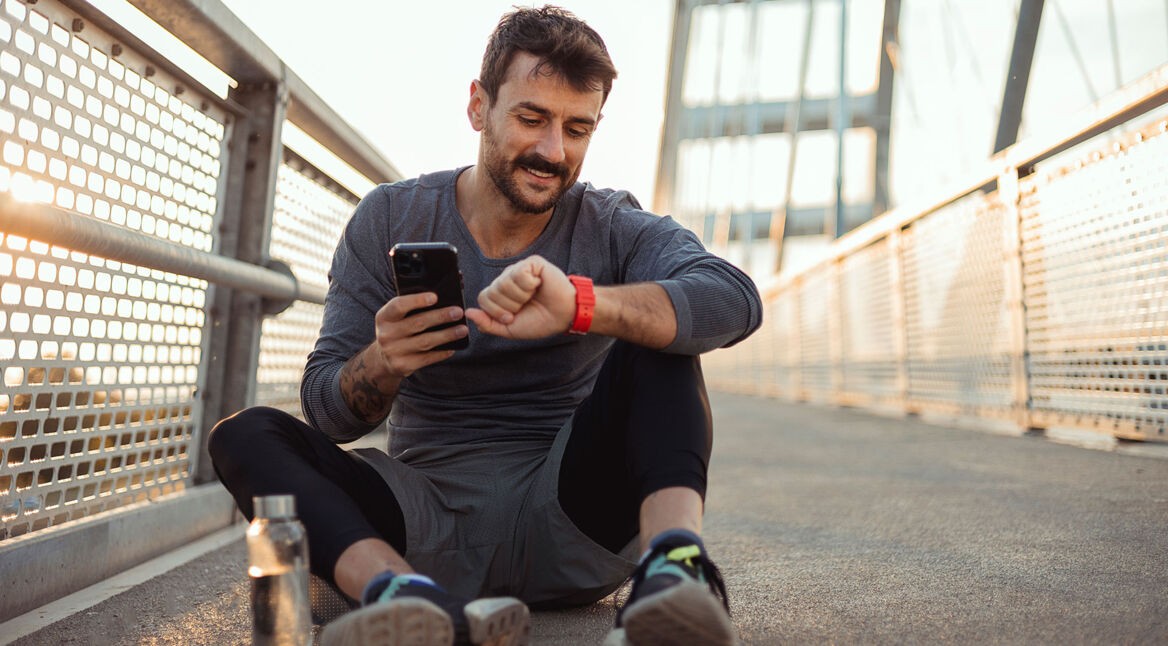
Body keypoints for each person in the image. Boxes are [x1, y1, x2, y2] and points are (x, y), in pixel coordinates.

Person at [209, 5, 761, 645]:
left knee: (663, 328)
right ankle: (406, 601)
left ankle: (675, 576)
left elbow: (736, 299)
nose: (554, 152)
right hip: (424, 523)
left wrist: (586, 305)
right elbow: (326, 415)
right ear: (479, 107)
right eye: (532, 119)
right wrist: (382, 363)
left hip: (572, 522)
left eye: (577, 129)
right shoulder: (390, 218)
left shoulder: (610, 224)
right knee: (244, 435)